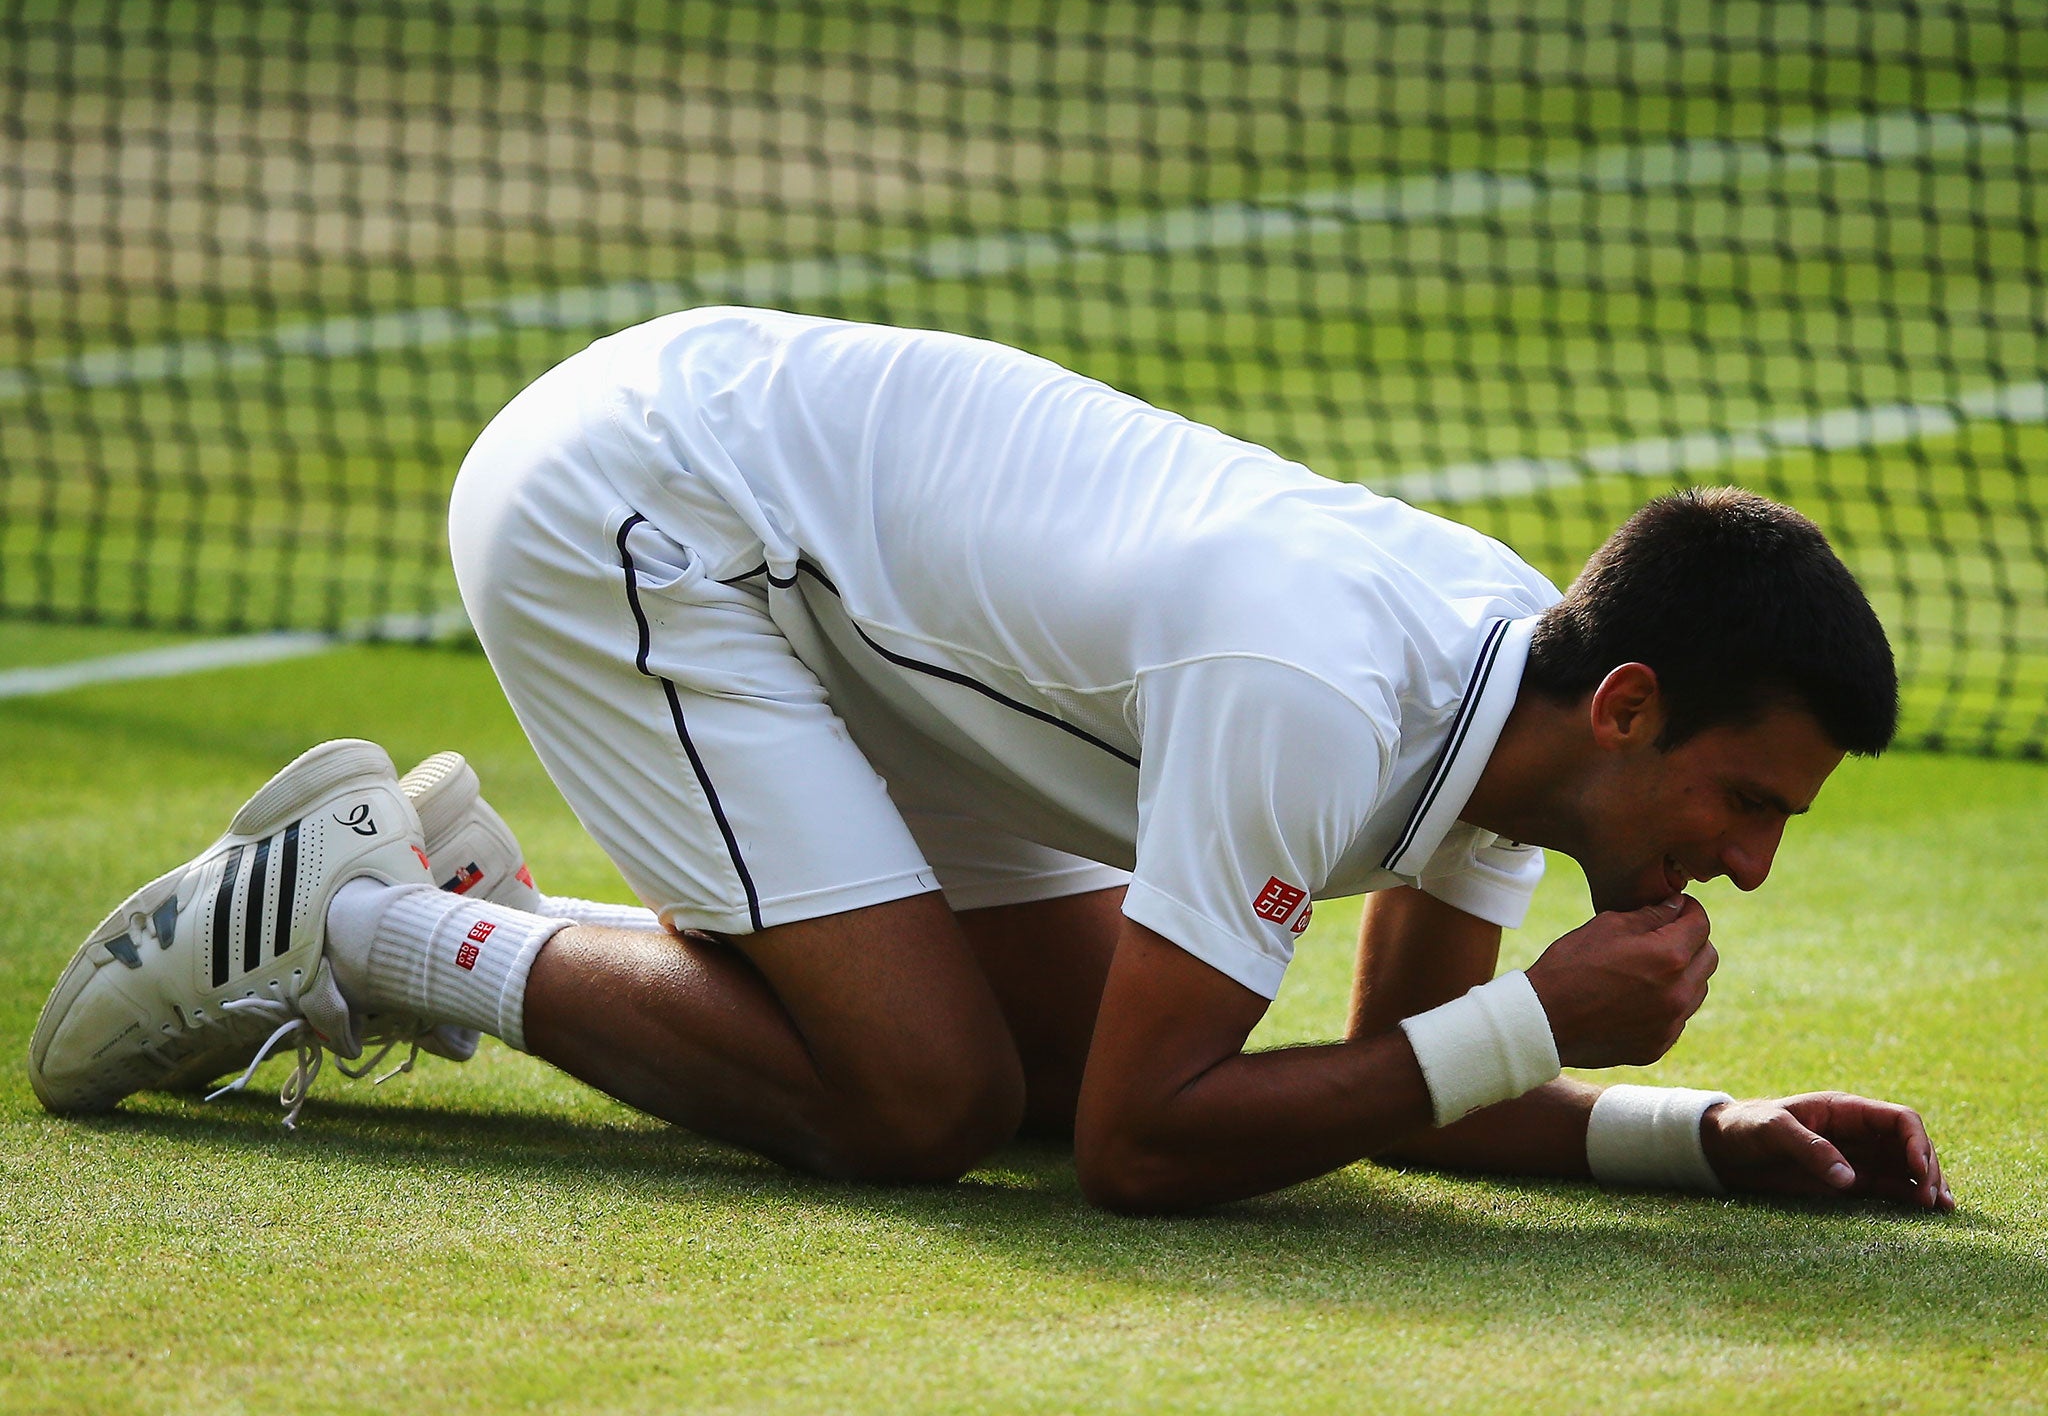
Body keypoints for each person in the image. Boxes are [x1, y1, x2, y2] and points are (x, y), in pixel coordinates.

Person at [29, 307, 1951, 1214]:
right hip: (649, 515)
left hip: (853, 606)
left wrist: (1697, 1138)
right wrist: (1539, 1025)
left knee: (1037, 1066)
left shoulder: (1516, 705)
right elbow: (1151, 1151)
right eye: (1749, 800)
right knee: (927, 1103)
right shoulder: (1321, 695)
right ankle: (375, 918)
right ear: (1628, 714)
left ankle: (453, 904)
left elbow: (1389, 1087)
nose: (1754, 862)